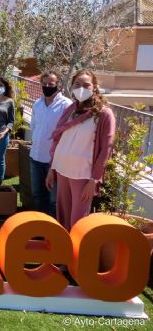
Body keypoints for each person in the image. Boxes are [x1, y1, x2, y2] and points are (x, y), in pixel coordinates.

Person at [47, 69, 115, 231]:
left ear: (95, 87)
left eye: (86, 85)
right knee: (63, 217)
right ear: (71, 86)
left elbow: (106, 150)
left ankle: (77, 254)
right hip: (63, 170)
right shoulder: (70, 110)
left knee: (78, 221)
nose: (81, 88)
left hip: (83, 176)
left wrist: (94, 181)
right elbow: (59, 141)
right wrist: (52, 169)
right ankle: (63, 253)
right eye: (77, 84)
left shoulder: (104, 114)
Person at [30, 71, 72, 217]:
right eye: (44, 84)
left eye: (51, 84)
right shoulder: (37, 104)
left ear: (58, 86)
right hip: (35, 157)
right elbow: (34, 126)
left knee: (53, 200)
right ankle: (40, 226)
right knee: (37, 194)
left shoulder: (66, 105)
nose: (47, 87)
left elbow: (67, 135)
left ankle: (53, 230)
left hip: (54, 162)